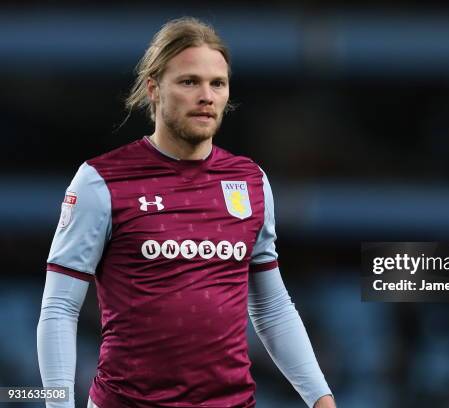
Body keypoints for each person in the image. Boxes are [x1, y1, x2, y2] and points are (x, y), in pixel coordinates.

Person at [37, 17, 335, 408]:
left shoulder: (250, 181)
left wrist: (321, 399)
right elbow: (59, 308)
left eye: (218, 83)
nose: (206, 96)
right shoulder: (100, 181)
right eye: (189, 81)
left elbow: (271, 305)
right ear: (153, 89)